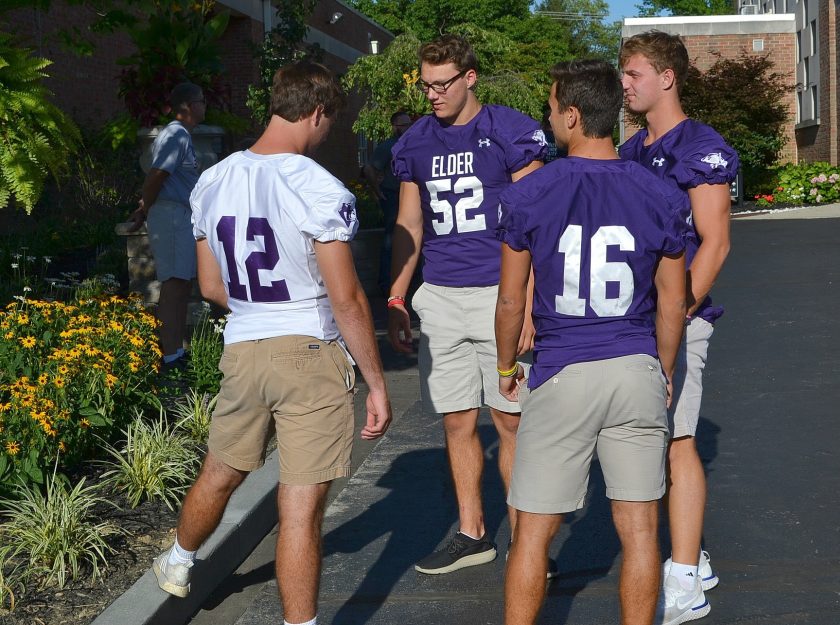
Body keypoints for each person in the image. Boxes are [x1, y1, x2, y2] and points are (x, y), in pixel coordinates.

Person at [151, 61, 393, 625]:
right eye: (329, 121)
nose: (327, 132)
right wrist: (376, 382)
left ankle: (180, 559)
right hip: (308, 348)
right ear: (315, 111)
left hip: (244, 346)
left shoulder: (212, 180)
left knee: (221, 468)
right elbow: (347, 298)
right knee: (301, 507)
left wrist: (258, 318)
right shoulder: (316, 185)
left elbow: (211, 286)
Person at [495, 59, 691, 625]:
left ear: (573, 115)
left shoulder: (531, 192)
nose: (549, 117)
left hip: (563, 368)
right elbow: (672, 302)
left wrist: (508, 364)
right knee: (640, 532)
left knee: (532, 532)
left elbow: (511, 302)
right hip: (635, 365)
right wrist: (664, 368)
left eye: (553, 107)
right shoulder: (659, 191)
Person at [386, 33, 545, 575]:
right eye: (425, 85)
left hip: (499, 296)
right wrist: (396, 293)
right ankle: (473, 532)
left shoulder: (509, 130)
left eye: (442, 84)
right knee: (456, 422)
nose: (432, 94)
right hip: (443, 298)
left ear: (470, 77)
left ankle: (527, 539)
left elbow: (538, 221)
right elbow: (410, 224)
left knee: (510, 422)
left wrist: (528, 303)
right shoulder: (414, 142)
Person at [619, 30, 739, 623]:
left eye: (634, 73)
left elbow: (714, 243)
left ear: (667, 77)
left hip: (681, 318)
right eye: (623, 73)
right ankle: (693, 552)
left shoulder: (701, 145)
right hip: (634, 319)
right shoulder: (628, 149)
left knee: (679, 440)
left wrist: (679, 310)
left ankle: (686, 577)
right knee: (646, 441)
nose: (625, 83)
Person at [128, 82, 206, 368]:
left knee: (181, 283)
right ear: (187, 106)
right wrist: (145, 208)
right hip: (172, 216)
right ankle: (171, 356)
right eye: (201, 100)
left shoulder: (180, 135)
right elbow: (157, 174)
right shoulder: (176, 134)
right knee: (174, 283)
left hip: (178, 216)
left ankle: (176, 352)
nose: (204, 106)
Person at [363, 110, 413, 293]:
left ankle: (410, 282)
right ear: (395, 127)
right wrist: (378, 191)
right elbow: (369, 168)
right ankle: (386, 283)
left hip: (410, 197)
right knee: (391, 240)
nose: (407, 128)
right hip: (393, 196)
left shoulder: (412, 144)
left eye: (409, 124)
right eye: (403, 125)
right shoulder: (388, 147)